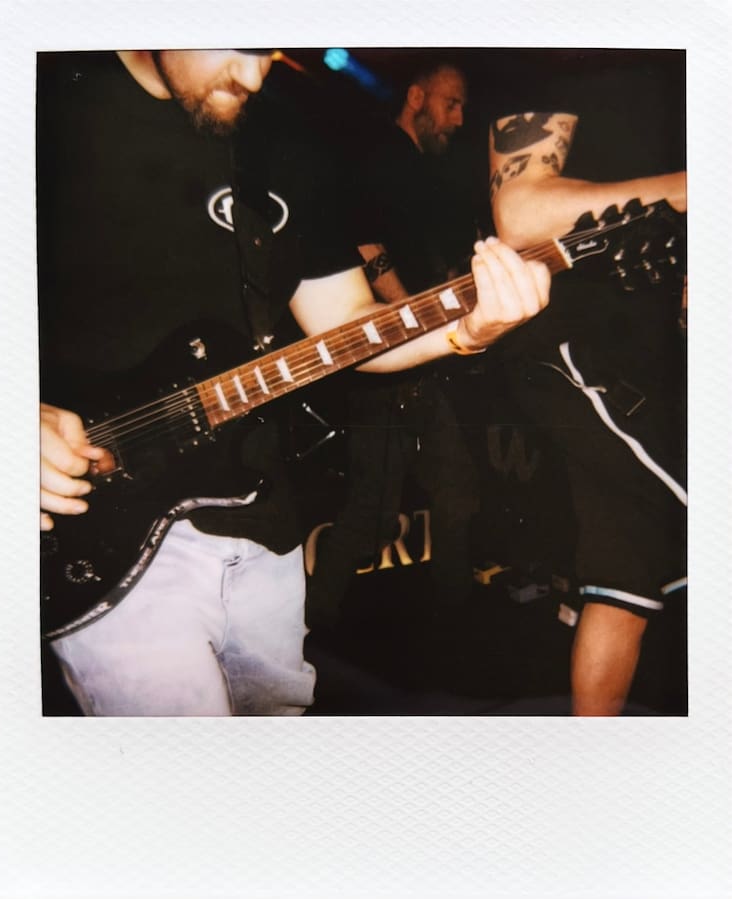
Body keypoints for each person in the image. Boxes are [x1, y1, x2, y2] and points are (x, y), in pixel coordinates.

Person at [38, 49, 551, 716]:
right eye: (237, 40)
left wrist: (466, 331)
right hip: (101, 527)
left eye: (270, 46)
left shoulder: (285, 141)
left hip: (265, 530)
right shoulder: (44, 105)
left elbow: (345, 327)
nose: (253, 75)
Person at [486, 49, 687, 715]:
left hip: (651, 354)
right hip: (579, 351)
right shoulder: (565, 55)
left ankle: (590, 774)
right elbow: (517, 214)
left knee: (624, 584)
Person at [308, 61, 483, 633]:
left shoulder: (413, 166)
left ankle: (452, 623)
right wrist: (411, 317)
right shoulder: (381, 156)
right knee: (374, 512)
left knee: (452, 491)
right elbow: (360, 241)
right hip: (391, 357)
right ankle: (314, 630)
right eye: (450, 103)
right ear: (415, 97)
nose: (459, 118)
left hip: (416, 357)